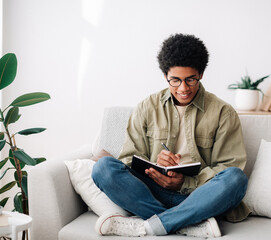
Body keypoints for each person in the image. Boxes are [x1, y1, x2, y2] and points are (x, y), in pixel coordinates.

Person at [92, 33, 250, 238]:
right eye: (175, 80)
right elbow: (127, 161)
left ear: (201, 74)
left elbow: (229, 167)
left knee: (236, 178)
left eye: (190, 80)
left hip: (200, 197)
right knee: (103, 168)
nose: (183, 88)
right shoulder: (147, 108)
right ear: (165, 76)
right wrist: (154, 166)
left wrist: (184, 182)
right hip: (152, 194)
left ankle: (153, 224)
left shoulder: (223, 113)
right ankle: (184, 223)